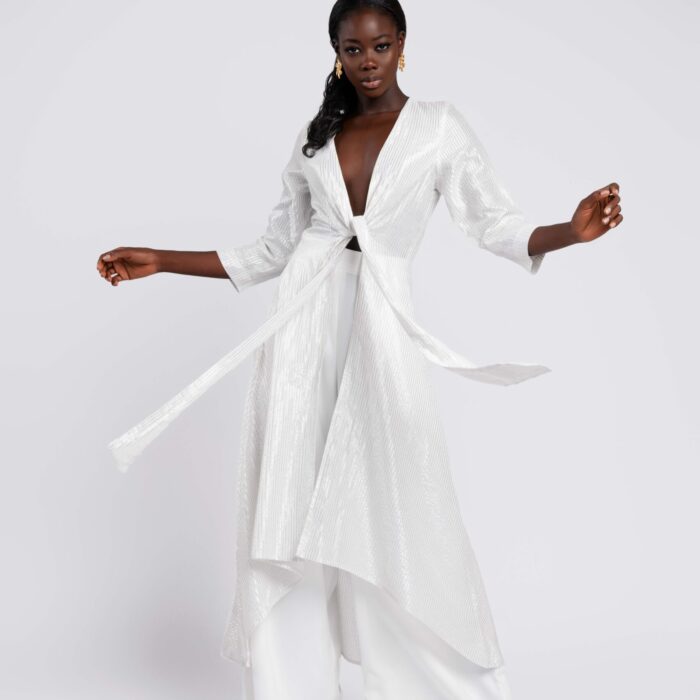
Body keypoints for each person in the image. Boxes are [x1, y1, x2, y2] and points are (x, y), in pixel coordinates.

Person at [96, 1, 623, 698]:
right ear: (336, 53)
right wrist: (160, 260)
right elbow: (273, 250)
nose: (367, 60)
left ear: (402, 45)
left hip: (380, 324)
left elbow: (494, 223)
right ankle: (292, 685)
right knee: (290, 505)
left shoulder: (438, 127)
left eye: (380, 45)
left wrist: (568, 232)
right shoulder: (315, 140)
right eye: (353, 47)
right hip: (304, 332)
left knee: (396, 503)